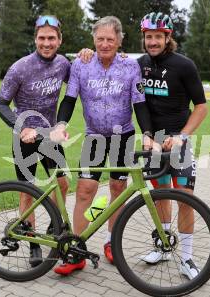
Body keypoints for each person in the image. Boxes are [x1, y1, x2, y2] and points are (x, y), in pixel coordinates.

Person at [50, 16, 154, 276]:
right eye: (100, 39)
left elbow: (139, 103)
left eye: (110, 39)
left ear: (119, 40)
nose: (105, 44)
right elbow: (70, 99)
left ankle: (111, 244)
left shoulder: (130, 66)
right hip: (94, 136)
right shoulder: (81, 64)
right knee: (86, 190)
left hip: (123, 136)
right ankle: (76, 249)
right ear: (93, 40)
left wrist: (149, 134)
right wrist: (61, 123)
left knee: (118, 189)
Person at [137, 12, 208, 280]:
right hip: (154, 143)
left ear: (168, 37)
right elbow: (140, 104)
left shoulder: (184, 65)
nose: (153, 41)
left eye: (158, 36)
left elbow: (201, 107)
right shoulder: (140, 64)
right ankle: (164, 246)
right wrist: (147, 135)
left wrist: (182, 136)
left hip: (178, 141)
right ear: (143, 38)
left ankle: (187, 259)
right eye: (148, 37)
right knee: (160, 196)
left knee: (185, 198)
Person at [0, 15, 70, 267]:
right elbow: (0, 103)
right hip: (24, 138)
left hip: (49, 135)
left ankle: (53, 223)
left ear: (59, 40)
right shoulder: (20, 67)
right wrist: (22, 127)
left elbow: (83, 76)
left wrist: (88, 55)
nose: (46, 43)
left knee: (62, 183)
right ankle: (34, 246)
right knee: (27, 193)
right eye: (41, 38)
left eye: (51, 38)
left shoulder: (63, 64)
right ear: (35, 39)